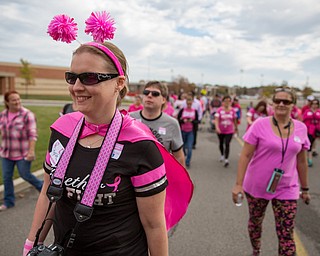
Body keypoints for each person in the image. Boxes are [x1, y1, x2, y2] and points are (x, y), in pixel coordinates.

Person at [24, 16, 193, 256]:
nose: (76, 87)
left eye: (90, 77)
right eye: (72, 77)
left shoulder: (140, 145)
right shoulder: (62, 129)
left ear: (118, 83)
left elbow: (154, 226)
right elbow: (47, 195)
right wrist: (31, 245)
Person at [232, 87, 311, 256]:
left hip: (287, 188)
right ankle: (256, 249)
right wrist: (238, 185)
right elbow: (245, 155)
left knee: (286, 234)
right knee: (255, 223)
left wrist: (305, 189)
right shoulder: (259, 125)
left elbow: (302, 161)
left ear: (293, 105)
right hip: (257, 185)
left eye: (286, 101)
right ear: (272, 104)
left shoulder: (301, 128)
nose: (281, 104)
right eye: (278, 101)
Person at [0, 91, 43, 211]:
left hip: (22, 153)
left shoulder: (27, 114)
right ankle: (9, 201)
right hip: (6, 153)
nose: (17, 102)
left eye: (18, 99)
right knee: (6, 177)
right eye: (14, 100)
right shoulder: (3, 115)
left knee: (25, 174)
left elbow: (32, 134)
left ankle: (45, 190)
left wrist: (31, 151)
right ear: (7, 102)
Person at [130, 81, 186, 167]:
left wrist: (179, 179)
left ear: (163, 99)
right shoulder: (129, 119)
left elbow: (178, 156)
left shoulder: (172, 124)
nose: (149, 95)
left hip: (159, 176)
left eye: (155, 94)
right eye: (146, 93)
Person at [214, 95, 238, 167]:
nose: (227, 103)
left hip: (229, 131)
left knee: (227, 144)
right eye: (225, 101)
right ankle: (222, 154)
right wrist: (217, 127)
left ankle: (226, 159)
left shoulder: (233, 110)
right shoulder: (219, 110)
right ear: (223, 102)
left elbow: (235, 120)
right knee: (221, 143)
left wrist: (236, 128)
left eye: (229, 101)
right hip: (221, 130)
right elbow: (216, 119)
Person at [177, 95, 199, 168]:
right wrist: (183, 120)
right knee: (182, 147)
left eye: (190, 103)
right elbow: (178, 119)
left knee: (189, 147)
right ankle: (184, 156)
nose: (189, 105)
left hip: (190, 131)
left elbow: (197, 121)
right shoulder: (182, 110)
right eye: (188, 103)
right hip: (183, 130)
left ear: (192, 103)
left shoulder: (194, 111)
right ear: (186, 103)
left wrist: (192, 121)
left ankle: (187, 162)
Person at [302, 98, 320, 167]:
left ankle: (308, 158)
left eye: (316, 104)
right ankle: (309, 159)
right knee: (309, 144)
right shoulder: (307, 111)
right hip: (309, 130)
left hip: (317, 130)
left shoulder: (319, 111)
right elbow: (304, 118)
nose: (315, 105)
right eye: (313, 103)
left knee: (312, 144)